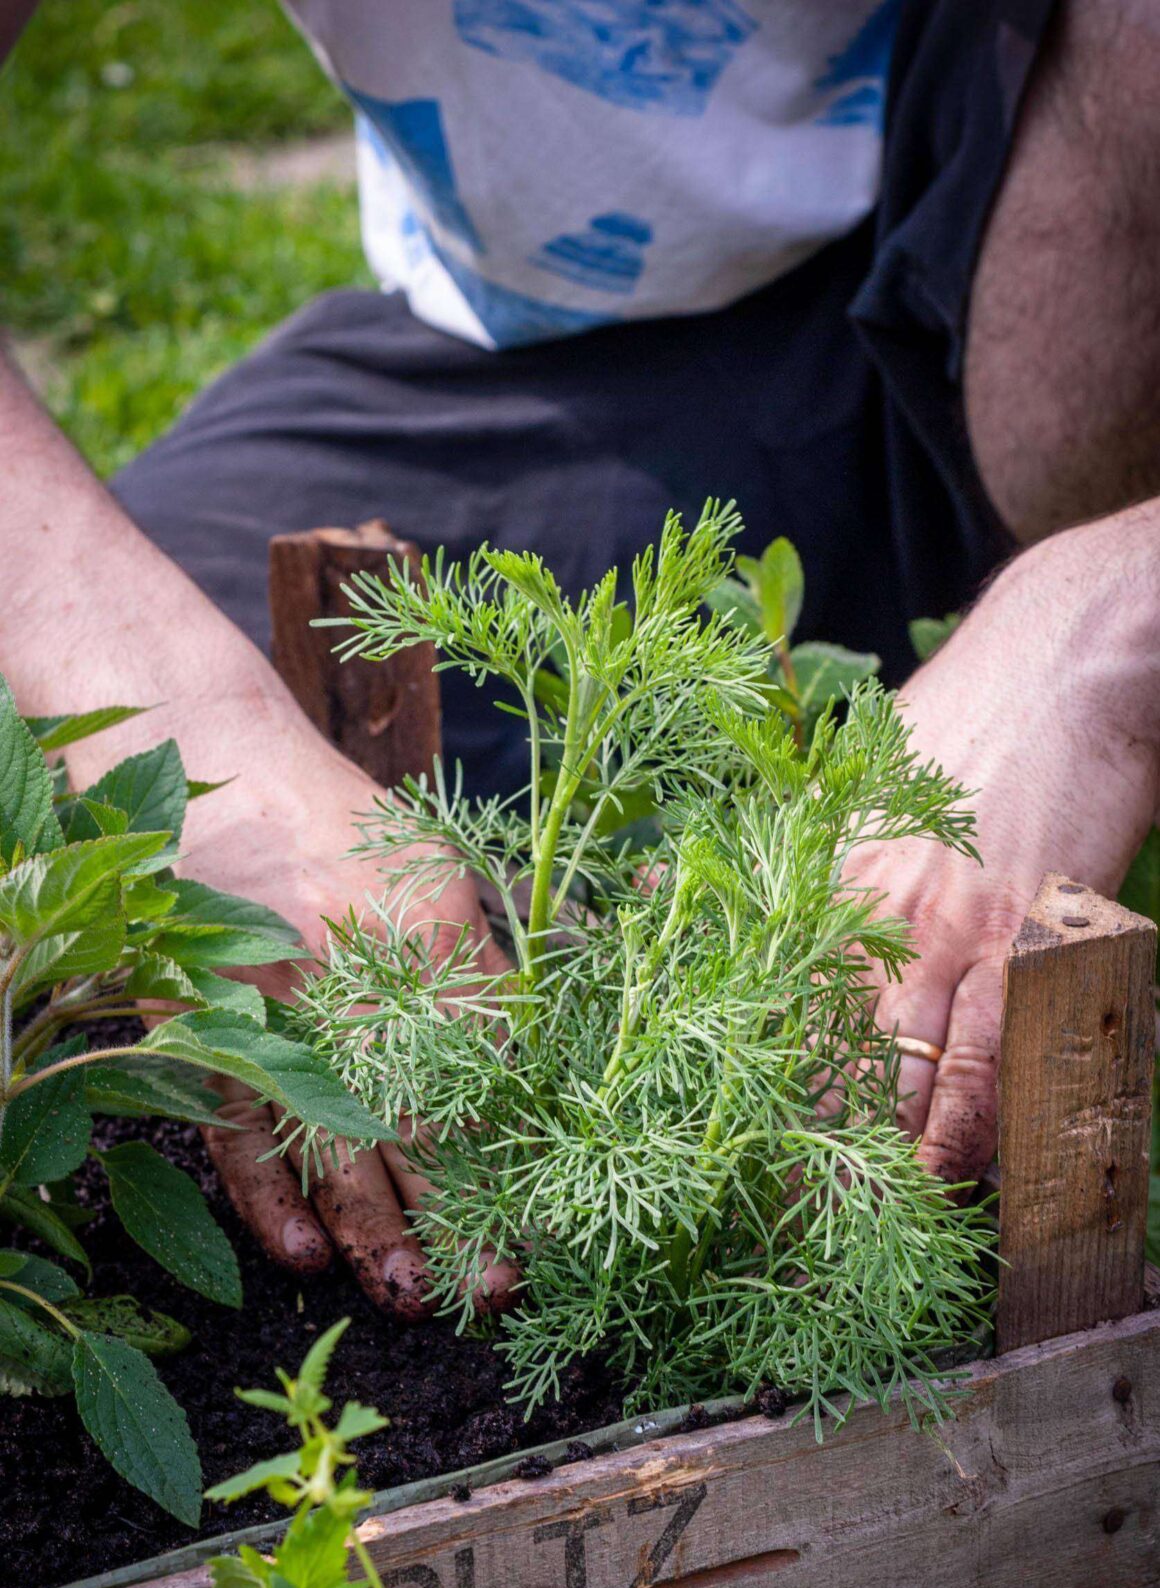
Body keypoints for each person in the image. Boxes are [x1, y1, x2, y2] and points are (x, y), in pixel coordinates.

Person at [2, 0, 1158, 1316]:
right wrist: (202, 732)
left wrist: (1116, 623)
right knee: (49, 809)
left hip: (1071, 231)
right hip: (563, 347)